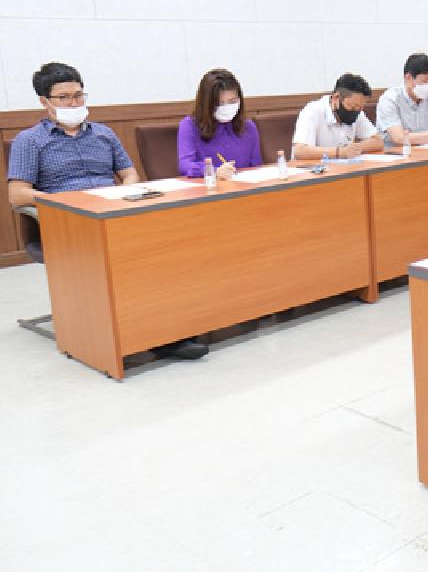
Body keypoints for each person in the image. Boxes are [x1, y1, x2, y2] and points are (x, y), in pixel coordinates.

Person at [7, 62, 207, 359]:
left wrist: (125, 191)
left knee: (163, 246)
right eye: (64, 98)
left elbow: (129, 173)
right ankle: (157, 336)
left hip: (114, 212)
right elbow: (17, 193)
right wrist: (65, 202)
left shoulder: (103, 134)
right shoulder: (30, 141)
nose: (73, 103)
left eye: (78, 95)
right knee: (128, 258)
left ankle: (173, 324)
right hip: (70, 223)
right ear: (44, 102)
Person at [178, 68, 261, 178]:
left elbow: (256, 166)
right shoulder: (190, 125)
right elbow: (185, 165)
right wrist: (214, 171)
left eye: (232, 101)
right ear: (207, 104)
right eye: (220, 103)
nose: (227, 107)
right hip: (209, 186)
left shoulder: (248, 126)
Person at [292, 73, 382, 159]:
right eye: (352, 106)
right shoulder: (312, 111)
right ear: (336, 98)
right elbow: (300, 150)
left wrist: (355, 148)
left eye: (360, 107)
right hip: (313, 168)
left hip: (343, 167)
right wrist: (340, 152)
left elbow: (378, 141)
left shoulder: (357, 111)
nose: (356, 111)